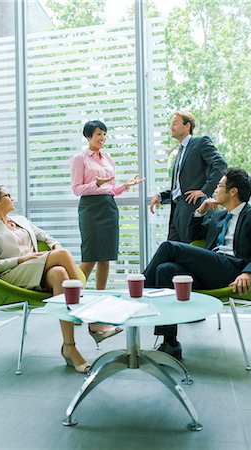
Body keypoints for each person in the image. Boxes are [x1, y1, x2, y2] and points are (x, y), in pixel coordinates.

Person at [0, 184, 90, 373]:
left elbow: (46, 237)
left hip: (36, 270)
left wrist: (53, 245)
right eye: (7, 195)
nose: (12, 198)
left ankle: (69, 347)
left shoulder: (21, 220)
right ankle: (90, 313)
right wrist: (22, 258)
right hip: (12, 274)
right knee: (62, 255)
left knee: (60, 274)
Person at [144, 167, 251, 359]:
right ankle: (170, 343)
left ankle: (139, 293)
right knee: (165, 269)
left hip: (232, 271)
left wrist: (248, 273)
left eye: (219, 186)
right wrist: (200, 211)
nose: (215, 190)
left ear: (233, 191)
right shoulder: (219, 216)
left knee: (169, 247)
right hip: (211, 269)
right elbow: (192, 237)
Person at [71, 120, 145, 344]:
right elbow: (76, 189)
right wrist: (96, 183)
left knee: (105, 259)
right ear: (88, 136)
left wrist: (125, 186)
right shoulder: (80, 159)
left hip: (109, 207)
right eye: (98, 134)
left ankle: (99, 304)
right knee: (90, 258)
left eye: (104, 134)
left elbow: (110, 189)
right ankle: (73, 304)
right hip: (91, 209)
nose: (102, 138)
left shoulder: (108, 159)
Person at [149, 111, 227, 243]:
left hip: (192, 208)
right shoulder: (179, 152)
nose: (171, 127)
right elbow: (179, 188)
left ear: (187, 126)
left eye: (175, 123)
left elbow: (220, 164)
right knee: (172, 251)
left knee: (187, 250)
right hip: (177, 210)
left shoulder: (200, 142)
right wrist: (161, 195)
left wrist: (204, 191)